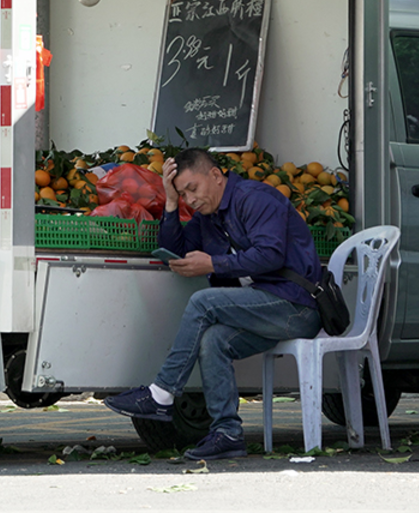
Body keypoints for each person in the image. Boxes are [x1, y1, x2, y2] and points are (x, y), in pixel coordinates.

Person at [104, 147, 322, 460]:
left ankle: (161, 394)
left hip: (297, 306)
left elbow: (270, 254)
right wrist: (170, 201)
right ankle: (227, 434)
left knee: (203, 302)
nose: (190, 200)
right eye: (184, 194)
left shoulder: (256, 198)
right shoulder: (208, 216)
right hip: (266, 308)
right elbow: (173, 250)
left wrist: (213, 265)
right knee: (213, 339)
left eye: (192, 189)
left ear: (216, 176)